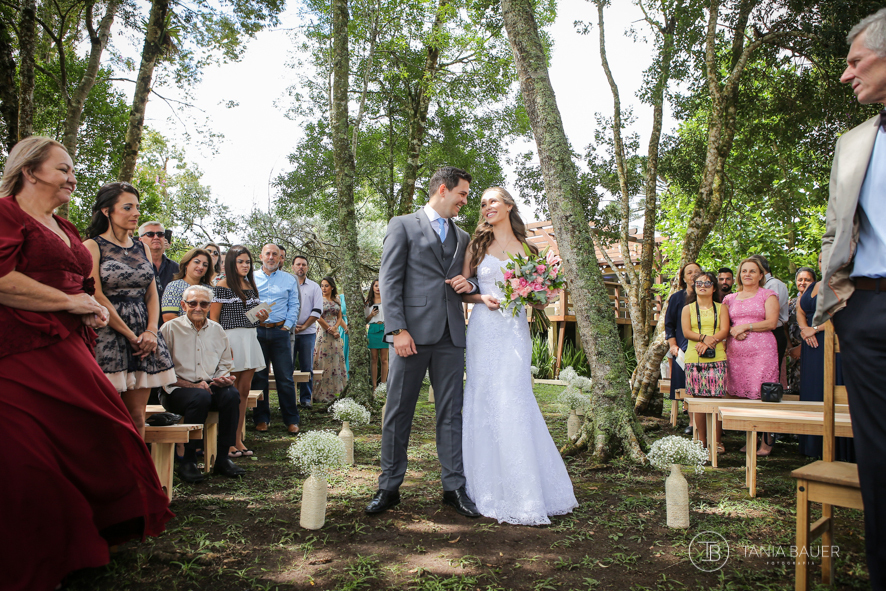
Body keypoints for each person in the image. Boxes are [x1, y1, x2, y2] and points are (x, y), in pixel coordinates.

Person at [0, 137, 173, 591]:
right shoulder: (5, 214)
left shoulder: (65, 226)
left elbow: (84, 282)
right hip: (21, 348)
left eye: (73, 170)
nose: (72, 177)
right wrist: (71, 302)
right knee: (29, 454)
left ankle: (98, 530)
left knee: (103, 430)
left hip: (74, 342)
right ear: (30, 170)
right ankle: (39, 555)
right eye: (63, 169)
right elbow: (3, 280)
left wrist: (89, 308)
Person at [812, 12, 886, 583]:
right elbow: (840, 229)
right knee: (877, 458)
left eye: (855, 61)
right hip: (869, 310)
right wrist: (839, 304)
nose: (845, 76)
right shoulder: (855, 142)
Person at [459, 187, 577, 524]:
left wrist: (543, 292)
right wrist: (481, 299)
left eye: (492, 201)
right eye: (482, 204)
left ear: (509, 205)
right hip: (483, 328)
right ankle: (483, 486)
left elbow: (539, 299)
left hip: (514, 329)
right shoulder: (476, 246)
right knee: (483, 397)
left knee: (513, 396)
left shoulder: (529, 248)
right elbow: (463, 288)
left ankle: (525, 489)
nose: (486, 207)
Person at [366, 166, 479, 518]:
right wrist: (397, 330)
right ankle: (388, 487)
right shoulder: (402, 224)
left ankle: (453, 487)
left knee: (451, 413)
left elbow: (469, 279)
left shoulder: (462, 237)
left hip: (451, 336)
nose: (464, 201)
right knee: (399, 411)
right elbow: (389, 278)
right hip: (409, 336)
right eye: (461, 194)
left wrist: (470, 286)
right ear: (443, 189)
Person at [85, 183, 176, 439]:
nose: (135, 212)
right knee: (106, 416)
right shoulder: (93, 246)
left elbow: (151, 293)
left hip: (145, 334)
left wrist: (150, 331)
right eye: (127, 207)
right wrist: (129, 334)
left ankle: (138, 476)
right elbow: (96, 294)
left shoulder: (142, 247)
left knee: (137, 417)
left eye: (136, 206)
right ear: (106, 210)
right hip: (108, 334)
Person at [160, 285, 246, 482]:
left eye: (204, 303)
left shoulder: (217, 330)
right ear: (183, 305)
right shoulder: (170, 329)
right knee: (199, 396)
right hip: (176, 390)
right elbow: (161, 368)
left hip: (209, 386)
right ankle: (188, 461)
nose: (198, 307)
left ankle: (223, 458)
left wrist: (223, 378)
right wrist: (190, 385)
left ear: (209, 306)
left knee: (232, 395)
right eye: (193, 303)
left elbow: (225, 362)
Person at [210, 246, 268, 458]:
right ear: (231, 263)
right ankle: (226, 442)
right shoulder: (222, 286)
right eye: (241, 261)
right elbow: (214, 319)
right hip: (230, 340)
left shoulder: (250, 285)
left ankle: (237, 438)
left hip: (250, 339)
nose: (245, 265)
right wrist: (223, 346)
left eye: (248, 262)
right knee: (231, 393)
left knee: (244, 392)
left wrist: (261, 316)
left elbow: (251, 317)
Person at [796, 258, 854, 462]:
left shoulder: (844, 283)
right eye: (820, 259)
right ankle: (812, 445)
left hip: (832, 340)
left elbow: (844, 311)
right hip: (810, 344)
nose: (824, 262)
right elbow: (800, 309)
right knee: (813, 388)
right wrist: (805, 329)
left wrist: (817, 328)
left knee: (830, 387)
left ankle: (836, 448)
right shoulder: (812, 285)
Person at [723, 257, 779, 455]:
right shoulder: (729, 299)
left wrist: (746, 326)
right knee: (742, 395)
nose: (747, 274)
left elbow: (772, 322)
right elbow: (723, 325)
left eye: (753, 271)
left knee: (761, 394)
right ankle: (750, 438)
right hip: (736, 354)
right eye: (744, 271)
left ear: (761, 275)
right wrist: (732, 330)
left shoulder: (768, 295)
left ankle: (767, 442)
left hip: (762, 352)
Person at [251, 243, 301, 434]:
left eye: (276, 254)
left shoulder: (289, 279)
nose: (271, 257)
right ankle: (262, 418)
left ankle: (291, 419)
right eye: (268, 254)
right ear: (261, 256)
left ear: (281, 258)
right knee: (259, 377)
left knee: (285, 378)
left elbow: (294, 304)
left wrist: (287, 326)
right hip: (257, 332)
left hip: (280, 331)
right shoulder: (251, 278)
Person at [681, 272, 730, 452]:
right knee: (699, 401)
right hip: (695, 357)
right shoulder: (688, 309)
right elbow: (686, 332)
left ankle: (716, 441)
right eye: (699, 283)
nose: (703, 286)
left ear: (714, 288)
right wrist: (703, 338)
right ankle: (702, 441)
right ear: (694, 286)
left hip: (717, 356)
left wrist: (710, 340)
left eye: (707, 283)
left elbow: (725, 330)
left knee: (717, 399)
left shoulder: (721, 308)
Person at [665, 260, 701, 433]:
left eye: (697, 271)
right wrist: (673, 345)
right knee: (688, 385)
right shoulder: (677, 298)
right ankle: (693, 422)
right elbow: (669, 324)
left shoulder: (708, 296)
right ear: (683, 278)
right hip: (683, 348)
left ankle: (711, 423)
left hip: (707, 347)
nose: (693, 274)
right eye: (689, 272)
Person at [291, 255, 322, 408]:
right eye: (298, 264)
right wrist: (291, 326)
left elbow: (317, 310)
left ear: (307, 267)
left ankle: (305, 399)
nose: (301, 267)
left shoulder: (314, 287)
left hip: (308, 332)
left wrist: (303, 326)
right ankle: (290, 398)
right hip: (288, 332)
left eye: (304, 264)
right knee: (287, 367)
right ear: (293, 267)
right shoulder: (288, 284)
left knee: (307, 366)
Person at [312, 277, 348, 402]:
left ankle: (336, 391)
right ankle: (321, 392)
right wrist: (329, 329)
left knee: (336, 359)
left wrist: (336, 328)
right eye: (322, 285)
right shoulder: (318, 299)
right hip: (323, 332)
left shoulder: (337, 300)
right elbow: (318, 317)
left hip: (336, 333)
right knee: (323, 360)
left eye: (326, 285)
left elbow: (340, 317)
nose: (324, 288)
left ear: (332, 287)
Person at [752, 255, 790, 373]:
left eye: (752, 269)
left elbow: (768, 313)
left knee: (769, 374)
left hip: (773, 332)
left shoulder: (773, 285)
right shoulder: (756, 286)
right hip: (758, 333)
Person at [161, 247, 214, 322]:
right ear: (186, 263)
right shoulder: (174, 286)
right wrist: (193, 330)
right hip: (180, 331)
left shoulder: (210, 290)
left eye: (205, 265)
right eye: (196, 262)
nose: (201, 267)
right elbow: (168, 317)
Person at [787, 266, 817, 393]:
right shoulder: (791, 303)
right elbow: (784, 326)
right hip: (793, 354)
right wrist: (790, 349)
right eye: (800, 280)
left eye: (807, 280)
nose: (803, 283)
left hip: (811, 347)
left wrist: (801, 348)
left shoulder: (816, 302)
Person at [138, 220, 178, 300]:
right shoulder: (134, 266)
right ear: (140, 240)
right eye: (150, 234)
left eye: (160, 234)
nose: (156, 237)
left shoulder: (176, 268)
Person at [365, 279, 389, 389]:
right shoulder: (368, 302)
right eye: (376, 285)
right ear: (372, 287)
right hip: (373, 329)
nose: (378, 288)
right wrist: (371, 314)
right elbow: (365, 320)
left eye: (380, 285)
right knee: (374, 359)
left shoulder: (387, 299)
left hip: (384, 329)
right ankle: (374, 385)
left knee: (384, 359)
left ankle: (383, 385)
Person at [339, 290, 350, 373]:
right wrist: (345, 327)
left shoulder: (359, 297)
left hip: (354, 325)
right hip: (342, 325)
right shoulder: (339, 297)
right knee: (343, 349)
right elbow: (337, 314)